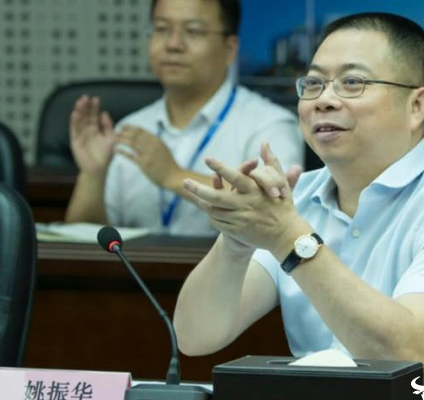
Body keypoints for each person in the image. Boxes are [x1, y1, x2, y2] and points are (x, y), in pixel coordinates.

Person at [173, 12, 424, 388]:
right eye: (313, 83)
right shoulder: (297, 199)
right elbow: (195, 337)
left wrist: (291, 239)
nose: (324, 100)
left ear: (416, 106)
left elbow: (406, 357)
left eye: (352, 82)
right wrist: (236, 239)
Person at [64, 0, 304, 236]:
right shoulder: (131, 128)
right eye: (161, 29)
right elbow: (83, 239)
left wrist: (174, 176)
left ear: (229, 49)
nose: (173, 44)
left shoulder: (270, 126)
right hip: (132, 264)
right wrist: (93, 176)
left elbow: (274, 208)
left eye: (193, 31)